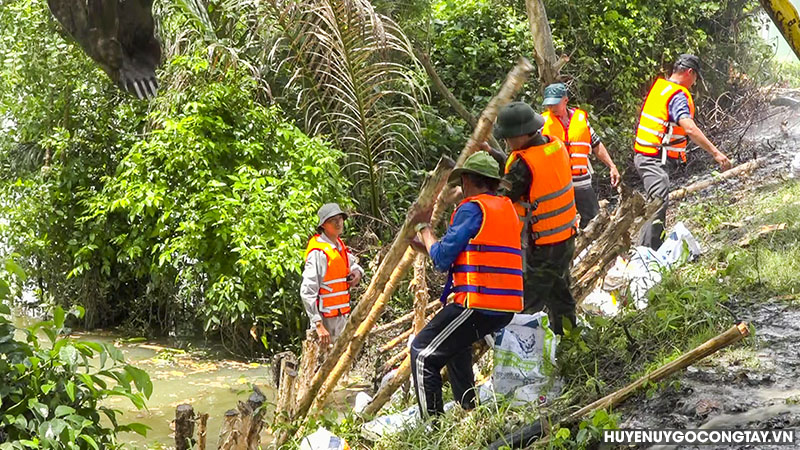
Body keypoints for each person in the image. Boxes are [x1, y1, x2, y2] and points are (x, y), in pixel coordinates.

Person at [409, 151, 523, 419]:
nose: (461, 190)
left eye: (463, 184)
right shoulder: (505, 208)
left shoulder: (472, 208)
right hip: (505, 304)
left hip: (479, 303)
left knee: (423, 353)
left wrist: (424, 229)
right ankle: (470, 412)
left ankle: (431, 429)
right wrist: (427, 246)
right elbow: (470, 256)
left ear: (471, 181)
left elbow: (442, 258)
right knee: (455, 348)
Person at [496, 101, 578, 335]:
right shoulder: (555, 145)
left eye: (508, 137)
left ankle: (522, 352)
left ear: (521, 135)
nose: (507, 142)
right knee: (559, 293)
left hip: (544, 246)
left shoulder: (523, 164)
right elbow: (534, 175)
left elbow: (503, 196)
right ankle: (570, 341)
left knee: (529, 303)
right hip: (566, 237)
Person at [634, 54, 732, 249]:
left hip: (646, 155)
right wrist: (715, 153)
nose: (694, 83)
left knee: (657, 200)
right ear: (690, 72)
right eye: (695, 78)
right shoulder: (677, 95)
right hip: (653, 158)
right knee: (658, 200)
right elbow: (689, 128)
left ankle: (651, 249)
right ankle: (645, 254)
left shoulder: (661, 88)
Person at [541, 82, 620, 228]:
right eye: (548, 105)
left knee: (593, 219)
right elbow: (536, 154)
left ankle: (590, 248)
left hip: (581, 181)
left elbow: (596, 145)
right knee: (559, 223)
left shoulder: (581, 120)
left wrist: (612, 166)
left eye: (554, 104)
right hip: (556, 184)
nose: (551, 108)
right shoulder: (542, 123)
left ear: (565, 100)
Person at [300, 203, 364, 347]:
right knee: (323, 365)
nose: (338, 223)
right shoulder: (318, 253)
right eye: (332, 220)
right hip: (325, 322)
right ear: (323, 225)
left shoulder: (339, 246)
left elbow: (353, 265)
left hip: (341, 318)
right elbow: (306, 292)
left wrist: (356, 273)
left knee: (341, 361)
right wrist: (318, 325)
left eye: (339, 218)